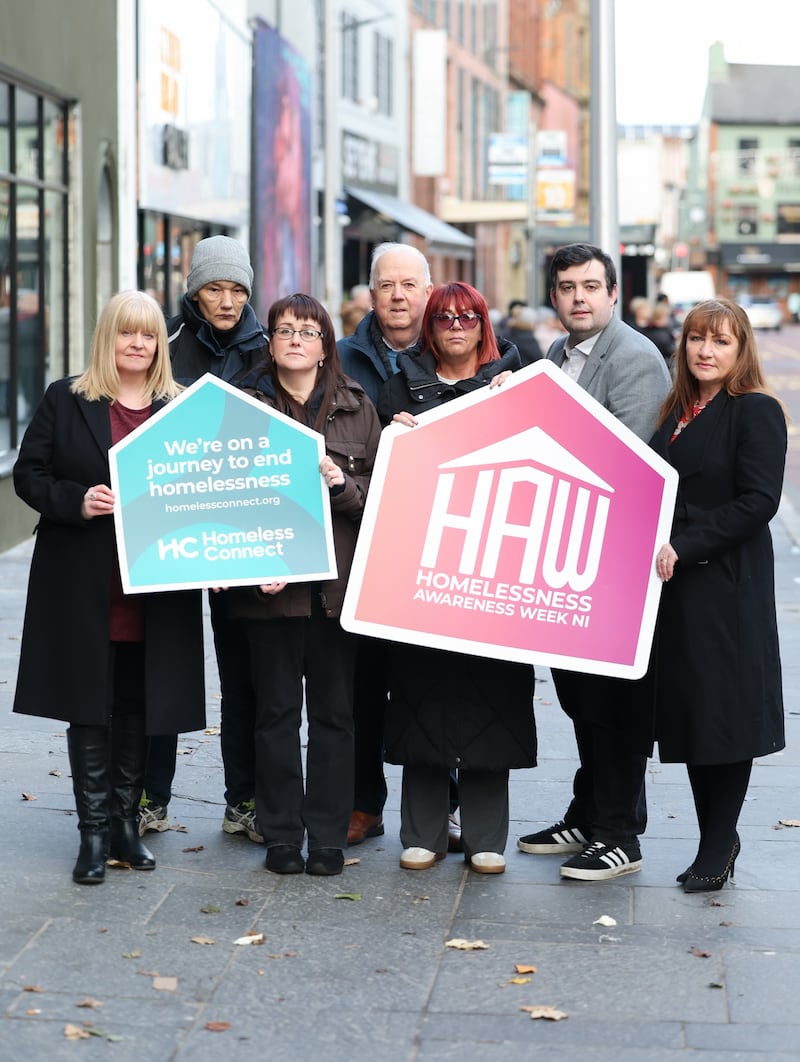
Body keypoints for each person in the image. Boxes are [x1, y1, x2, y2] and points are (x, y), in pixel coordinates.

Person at [12, 291, 206, 885]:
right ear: (108, 339)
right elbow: (28, 474)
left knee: (138, 705)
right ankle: (93, 834)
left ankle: (125, 825)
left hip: (157, 583)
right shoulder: (66, 399)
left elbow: (202, 489)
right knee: (89, 707)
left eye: (148, 335)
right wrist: (77, 500)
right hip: (84, 581)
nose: (139, 345)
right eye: (127, 334)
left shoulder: (179, 408)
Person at [517, 243, 672, 881]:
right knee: (583, 702)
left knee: (616, 708)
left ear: (613, 293)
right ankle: (589, 814)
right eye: (566, 287)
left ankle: (620, 834)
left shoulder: (634, 359)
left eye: (590, 286)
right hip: (570, 562)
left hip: (616, 569)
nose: (578, 297)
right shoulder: (557, 356)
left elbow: (624, 468)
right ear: (553, 297)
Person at [378, 282, 536, 875]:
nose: (457, 325)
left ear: (484, 323)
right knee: (421, 696)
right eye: (444, 317)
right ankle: (422, 832)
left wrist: (518, 403)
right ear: (430, 325)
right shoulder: (401, 383)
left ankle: (486, 836)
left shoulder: (519, 377)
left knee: (492, 698)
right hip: (421, 566)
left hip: (497, 567)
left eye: (468, 316)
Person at [227, 293, 381, 877]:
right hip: (269, 594)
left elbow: (378, 505)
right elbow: (227, 503)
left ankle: (326, 839)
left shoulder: (359, 407)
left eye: (308, 331)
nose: (295, 339)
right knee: (275, 716)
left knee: (335, 718)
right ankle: (282, 836)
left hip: (335, 596)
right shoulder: (242, 407)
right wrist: (247, 565)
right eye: (284, 330)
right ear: (269, 341)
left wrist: (342, 485)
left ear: (325, 346)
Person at [651, 298, 787, 892]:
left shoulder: (754, 410)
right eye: (697, 340)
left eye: (721, 341)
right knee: (693, 713)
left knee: (725, 715)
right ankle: (716, 836)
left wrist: (689, 542)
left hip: (726, 586)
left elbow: (759, 501)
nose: (706, 351)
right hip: (676, 587)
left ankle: (717, 840)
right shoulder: (678, 410)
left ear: (741, 350)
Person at [338, 244, 468, 852]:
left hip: (434, 551)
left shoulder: (459, 350)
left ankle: (444, 805)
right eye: (385, 284)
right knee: (360, 687)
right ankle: (363, 804)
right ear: (369, 294)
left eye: (409, 285)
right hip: (359, 546)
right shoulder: (341, 358)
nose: (397, 295)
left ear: (428, 290)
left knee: (433, 686)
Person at [139, 235, 267, 845]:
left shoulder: (267, 348)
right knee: (163, 665)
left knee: (244, 675)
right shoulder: (162, 345)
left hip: (241, 538)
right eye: (215, 288)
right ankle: (148, 797)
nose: (227, 300)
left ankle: (243, 800)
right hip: (172, 531)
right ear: (194, 289)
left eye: (238, 289)